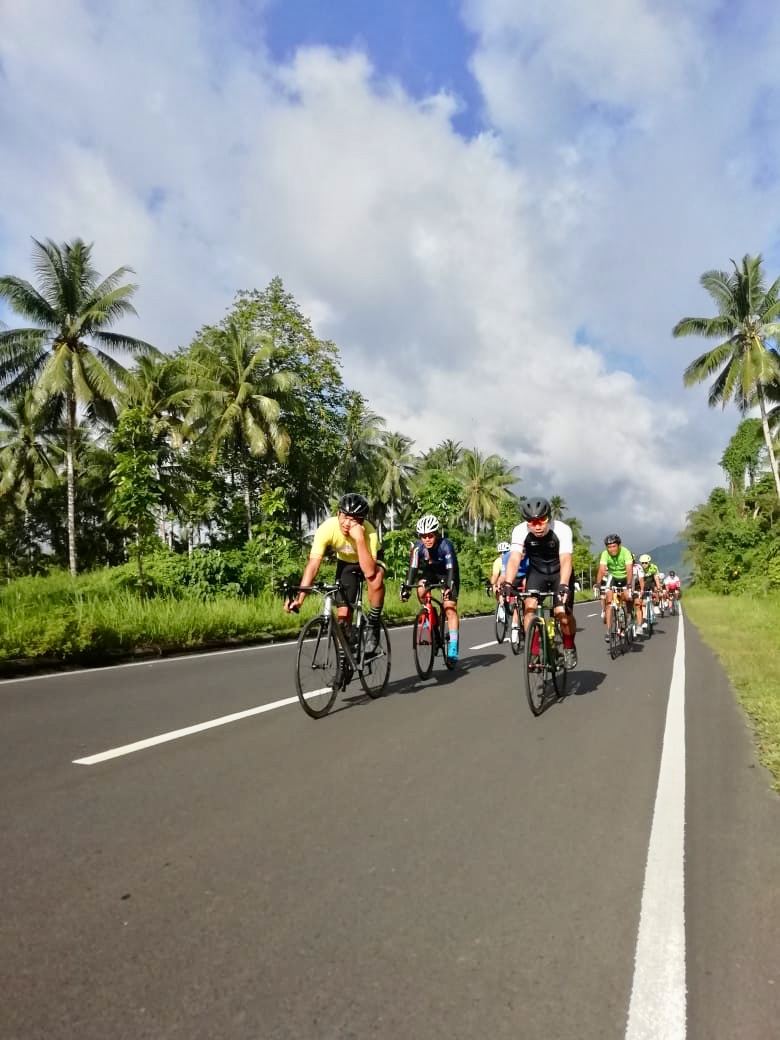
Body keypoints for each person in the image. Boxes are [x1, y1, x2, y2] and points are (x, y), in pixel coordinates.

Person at [285, 492, 386, 654]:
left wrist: (359, 539)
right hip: (347, 563)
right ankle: (344, 663)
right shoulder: (327, 528)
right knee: (343, 618)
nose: (346, 523)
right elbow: (313, 565)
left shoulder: (369, 532)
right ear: (338, 514)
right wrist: (300, 599)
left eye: (352, 520)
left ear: (361, 522)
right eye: (344, 516)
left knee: (375, 579)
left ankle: (373, 623)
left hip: (370, 561)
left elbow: (368, 571)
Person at [502, 496, 578, 669]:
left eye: (541, 521)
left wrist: (564, 585)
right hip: (537, 573)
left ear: (548, 518)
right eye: (532, 522)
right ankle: (535, 651)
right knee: (529, 609)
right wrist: (507, 582)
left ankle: (568, 646)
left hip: (560, 572)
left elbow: (566, 559)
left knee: (562, 614)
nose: (537, 526)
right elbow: (514, 559)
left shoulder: (562, 530)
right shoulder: (520, 531)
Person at [401, 514, 460, 660]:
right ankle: (430, 613)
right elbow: (413, 568)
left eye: (430, 536)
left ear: (436, 534)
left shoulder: (446, 545)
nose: (427, 539)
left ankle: (453, 644)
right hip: (431, 572)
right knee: (420, 589)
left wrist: (448, 587)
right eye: (423, 536)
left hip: (448, 573)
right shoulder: (417, 547)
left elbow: (451, 569)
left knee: (449, 607)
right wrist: (407, 587)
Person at [594, 534, 635, 641]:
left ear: (619, 545)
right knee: (608, 600)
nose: (611, 549)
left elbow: (630, 570)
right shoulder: (604, 554)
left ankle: (629, 615)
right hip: (613, 577)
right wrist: (598, 583)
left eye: (614, 546)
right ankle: (608, 631)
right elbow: (602, 569)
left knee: (627, 596)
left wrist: (629, 585)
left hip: (626, 576)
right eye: (609, 547)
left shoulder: (625, 552)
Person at [636, 553, 663, 633]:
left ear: (649, 562)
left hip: (651, 583)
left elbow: (656, 578)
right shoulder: (640, 568)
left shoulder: (654, 567)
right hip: (642, 585)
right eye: (642, 563)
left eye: (646, 563)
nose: (644, 564)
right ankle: (644, 619)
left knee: (656, 591)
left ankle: (656, 605)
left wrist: (658, 587)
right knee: (643, 603)